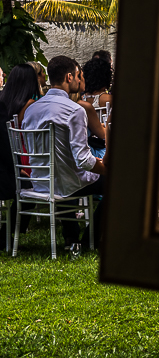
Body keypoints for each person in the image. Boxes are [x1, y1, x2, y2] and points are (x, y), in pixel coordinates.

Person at [21, 56, 107, 252]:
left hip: (39, 181)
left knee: (66, 173)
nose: (79, 80)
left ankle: (70, 237)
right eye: (79, 75)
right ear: (69, 77)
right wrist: (105, 168)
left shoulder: (31, 110)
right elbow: (84, 160)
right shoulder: (74, 110)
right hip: (64, 183)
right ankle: (89, 241)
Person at [0, 64, 42, 248]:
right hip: (22, 156)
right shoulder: (31, 105)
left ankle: (11, 233)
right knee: (30, 190)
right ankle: (10, 233)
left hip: (9, 158)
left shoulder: (3, 100)